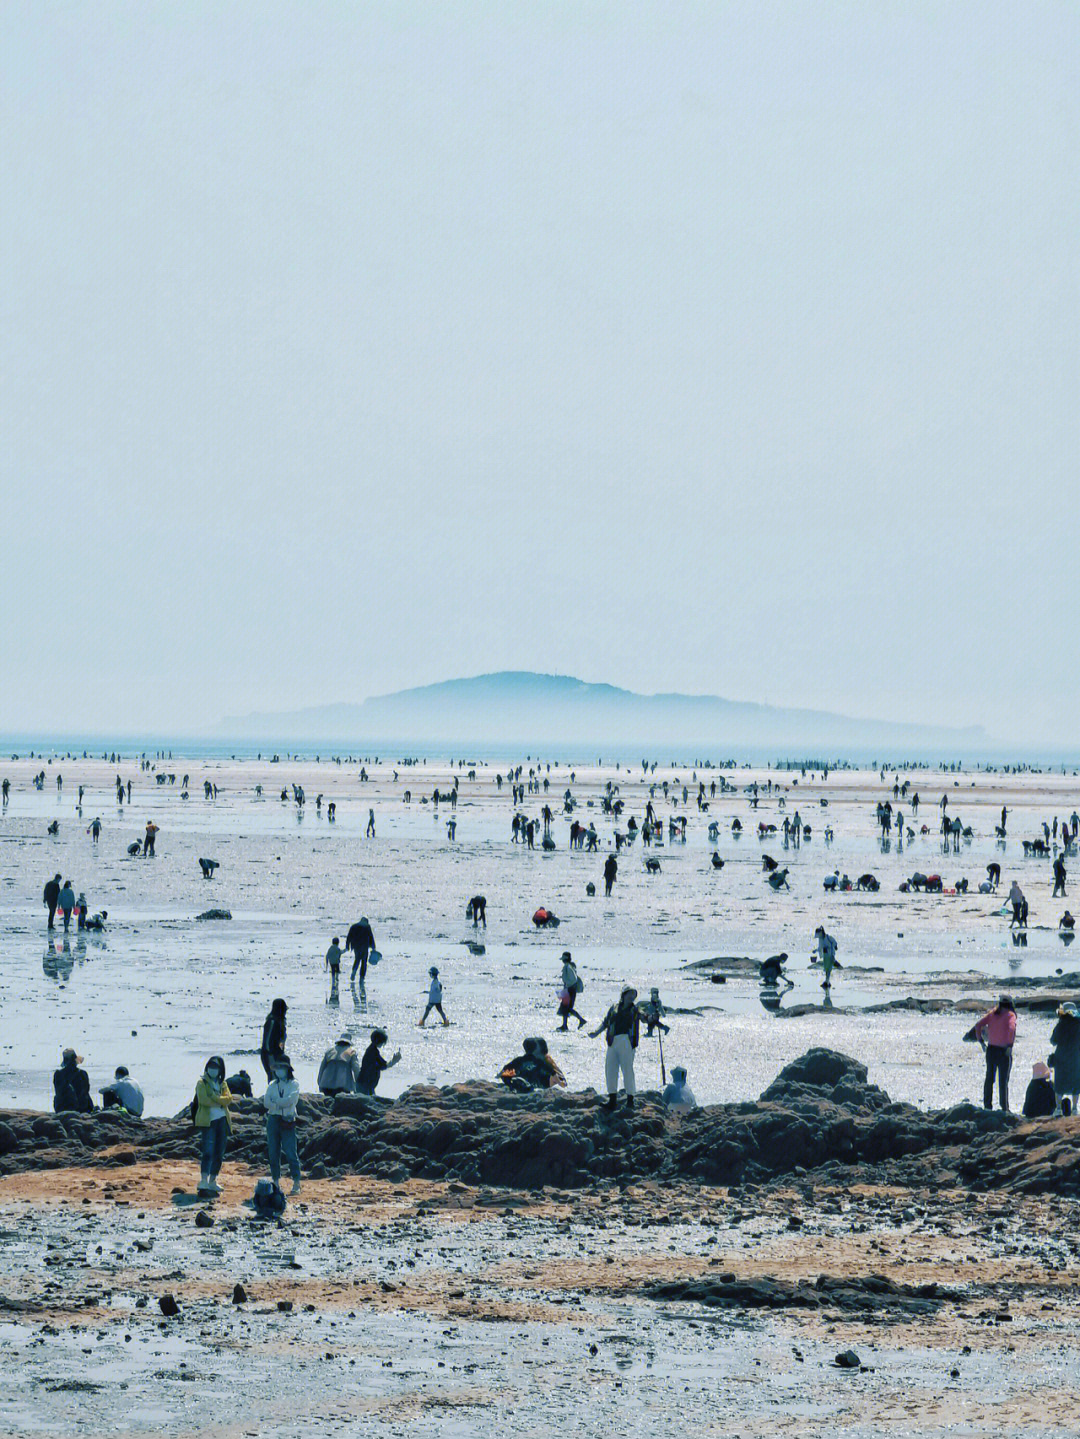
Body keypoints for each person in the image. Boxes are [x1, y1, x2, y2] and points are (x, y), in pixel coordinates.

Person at [589, 985, 640, 1110]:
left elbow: (645, 1017)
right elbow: (606, 1022)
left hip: (627, 1041)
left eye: (634, 994)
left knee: (627, 1070)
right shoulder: (614, 1007)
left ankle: (630, 1100)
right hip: (612, 1041)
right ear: (624, 994)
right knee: (610, 1070)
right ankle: (612, 1100)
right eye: (630, 994)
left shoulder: (635, 1010)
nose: (632, 997)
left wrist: (653, 1018)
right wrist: (596, 1032)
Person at [967, 996, 1017, 1111]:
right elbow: (1011, 1028)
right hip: (1004, 1050)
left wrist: (981, 1041)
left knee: (989, 1078)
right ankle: (1004, 1107)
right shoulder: (1010, 1015)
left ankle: (987, 1106)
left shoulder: (993, 1013)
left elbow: (978, 1025)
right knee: (1003, 1080)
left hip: (991, 1049)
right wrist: (1010, 1045)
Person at [194, 1057, 234, 1196]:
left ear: (220, 1069)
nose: (213, 1069)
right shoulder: (201, 1083)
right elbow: (203, 1100)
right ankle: (204, 1180)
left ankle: (213, 1180)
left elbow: (228, 1099)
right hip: (208, 1122)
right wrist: (219, 1101)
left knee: (219, 1152)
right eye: (210, 1066)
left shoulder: (223, 1084)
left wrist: (214, 1097)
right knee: (208, 1151)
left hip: (222, 1120)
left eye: (216, 1067)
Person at [264, 1054, 302, 1196]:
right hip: (273, 1119)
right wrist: (280, 1102)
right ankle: (276, 1182)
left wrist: (276, 1102)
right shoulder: (272, 1085)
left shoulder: (294, 1084)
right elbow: (266, 1103)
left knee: (291, 1151)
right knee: (273, 1152)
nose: (278, 1070)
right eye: (277, 1068)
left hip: (287, 1119)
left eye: (281, 1067)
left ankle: (296, 1182)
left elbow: (290, 1101)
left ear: (287, 1069)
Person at [1049, 1002, 1080, 1115]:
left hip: (1061, 1056)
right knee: (1076, 1084)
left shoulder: (1060, 1025)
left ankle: (1058, 1109)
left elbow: (1053, 1041)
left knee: (1060, 1083)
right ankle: (1075, 1109)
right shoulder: (1079, 1024)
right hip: (1076, 1057)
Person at [357, 1029, 401, 1095]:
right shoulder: (373, 1051)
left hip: (364, 1082)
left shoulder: (371, 1049)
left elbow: (382, 1065)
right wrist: (394, 1061)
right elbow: (383, 1066)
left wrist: (393, 1061)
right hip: (366, 1084)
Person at [53, 1048, 94, 1113]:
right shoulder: (83, 1073)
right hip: (83, 1108)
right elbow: (86, 1090)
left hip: (62, 1107)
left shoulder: (58, 1074)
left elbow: (57, 1091)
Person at [557, 952, 587, 1030]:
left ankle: (580, 1020)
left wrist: (567, 985)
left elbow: (573, 979)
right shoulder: (570, 966)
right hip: (568, 989)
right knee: (565, 1008)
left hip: (569, 989)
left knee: (566, 1008)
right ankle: (565, 1025)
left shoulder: (567, 967)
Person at [260, 998, 287, 1080]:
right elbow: (267, 1041)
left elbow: (281, 1041)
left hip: (277, 1055)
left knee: (279, 1078)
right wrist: (272, 1054)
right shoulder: (272, 1021)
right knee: (273, 1078)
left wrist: (281, 1053)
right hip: (270, 1055)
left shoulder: (280, 1022)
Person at [346, 916, 376, 984]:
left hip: (356, 946)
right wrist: (373, 947)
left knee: (357, 959)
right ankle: (362, 978)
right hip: (364, 947)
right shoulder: (367, 927)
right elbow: (371, 937)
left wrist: (347, 946)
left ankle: (353, 972)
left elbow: (349, 936)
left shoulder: (354, 926)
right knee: (364, 962)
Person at [325, 936, 342, 1000]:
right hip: (336, 961)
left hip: (331, 962)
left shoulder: (330, 948)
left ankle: (333, 979)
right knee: (337, 970)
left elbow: (327, 956)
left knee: (333, 971)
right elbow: (340, 953)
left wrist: (326, 964)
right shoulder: (337, 948)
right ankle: (336, 978)